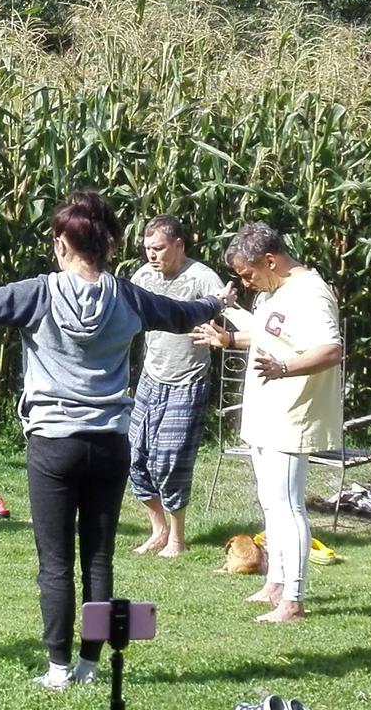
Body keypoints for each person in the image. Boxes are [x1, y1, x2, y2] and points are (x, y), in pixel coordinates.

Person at [0, 189, 234, 689]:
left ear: (60, 244)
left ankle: (57, 668)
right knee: (98, 557)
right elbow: (181, 314)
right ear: (111, 246)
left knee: (55, 563)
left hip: (54, 444)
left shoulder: (39, 293)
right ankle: (91, 666)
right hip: (111, 442)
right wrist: (216, 300)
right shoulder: (129, 296)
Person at [193, 221, 341, 623]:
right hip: (266, 412)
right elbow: (270, 335)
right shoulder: (277, 291)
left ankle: (293, 600)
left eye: (248, 274)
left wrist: (284, 367)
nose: (247, 282)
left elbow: (330, 350)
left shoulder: (310, 293)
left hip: (293, 414)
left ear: (270, 260)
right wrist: (228, 340)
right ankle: (275, 582)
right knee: (271, 503)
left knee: (288, 506)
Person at [128, 215, 224, 557]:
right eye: (147, 249)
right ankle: (158, 530)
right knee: (134, 456)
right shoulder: (142, 277)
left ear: (179, 244)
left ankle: (178, 539)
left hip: (188, 381)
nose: (152, 256)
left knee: (170, 460)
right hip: (150, 379)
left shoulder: (201, 278)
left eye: (159, 248)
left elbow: (227, 306)